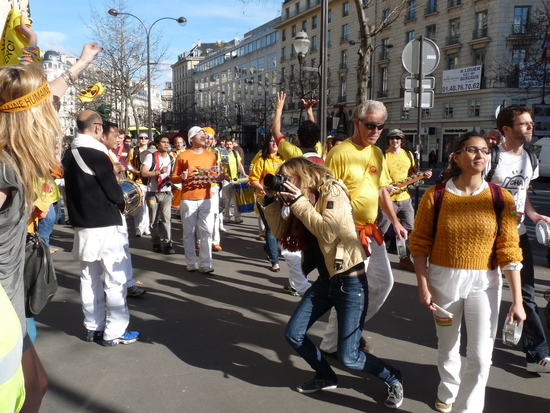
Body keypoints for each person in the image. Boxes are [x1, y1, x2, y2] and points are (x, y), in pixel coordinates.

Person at [260, 158, 404, 409]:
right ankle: (326, 375)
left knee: (350, 356)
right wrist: (271, 199)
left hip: (350, 282)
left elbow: (328, 231)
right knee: (293, 334)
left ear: (303, 175)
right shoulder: (299, 197)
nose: (286, 183)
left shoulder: (332, 190)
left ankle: (392, 377)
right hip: (326, 280)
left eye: (288, 178)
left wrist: (298, 202)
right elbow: (280, 231)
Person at [410, 131, 525, 413]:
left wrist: (518, 301)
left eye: (484, 150)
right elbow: (419, 243)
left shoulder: (502, 198)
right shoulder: (435, 196)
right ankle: (448, 391)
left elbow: (510, 250)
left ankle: (467, 409)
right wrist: (423, 285)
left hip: (484, 282)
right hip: (442, 280)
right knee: (448, 346)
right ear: (456, 157)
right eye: (472, 150)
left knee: (481, 357)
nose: (480, 155)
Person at [320, 100, 407, 356]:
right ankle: (332, 345)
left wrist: (395, 221)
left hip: (371, 230)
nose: (376, 131)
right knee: (350, 292)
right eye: (370, 125)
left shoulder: (377, 153)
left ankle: (350, 331)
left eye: (380, 127)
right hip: (348, 233)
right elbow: (324, 194)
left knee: (383, 284)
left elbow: (381, 190)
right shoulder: (339, 153)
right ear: (357, 122)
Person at [63, 110, 141, 347]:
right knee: (115, 279)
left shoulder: (69, 153)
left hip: (83, 224)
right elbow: (114, 194)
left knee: (89, 278)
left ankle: (93, 326)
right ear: (97, 128)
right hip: (105, 224)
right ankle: (114, 331)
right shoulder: (97, 154)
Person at [486, 105, 550, 373]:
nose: (531, 127)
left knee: (526, 295)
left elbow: (524, 192)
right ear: (507, 130)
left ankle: (537, 355)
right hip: (488, 237)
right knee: (483, 292)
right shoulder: (491, 158)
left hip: (518, 236)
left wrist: (533, 214)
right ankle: (481, 346)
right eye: (525, 124)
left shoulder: (530, 159)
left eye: (531, 123)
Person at [101, 120, 145, 298]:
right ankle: (120, 286)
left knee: (123, 246)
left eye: (120, 136)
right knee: (114, 250)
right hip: (108, 209)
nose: (118, 139)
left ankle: (127, 281)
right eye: (115, 136)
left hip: (116, 206)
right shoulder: (100, 154)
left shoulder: (109, 153)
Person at [378, 129, 432, 272]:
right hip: (388, 200)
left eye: (397, 138)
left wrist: (422, 174)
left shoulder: (408, 154)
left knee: (408, 230)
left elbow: (413, 171)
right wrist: (385, 186)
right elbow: (376, 175)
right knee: (381, 231)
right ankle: (375, 259)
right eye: (392, 138)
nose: (394, 141)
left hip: (405, 199)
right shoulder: (383, 155)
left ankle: (404, 258)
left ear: (402, 141)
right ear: (388, 140)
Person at [171, 126, 220, 273]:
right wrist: (182, 177)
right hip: (188, 199)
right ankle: (191, 262)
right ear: (191, 139)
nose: (204, 136)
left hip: (206, 198)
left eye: (205, 134)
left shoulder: (211, 156)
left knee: (207, 231)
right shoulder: (182, 156)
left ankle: (205, 264)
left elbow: (213, 176)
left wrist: (219, 178)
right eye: (200, 134)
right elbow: (173, 178)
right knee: (189, 232)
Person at [249, 136, 285, 273]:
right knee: (270, 229)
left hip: (282, 199)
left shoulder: (284, 160)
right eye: (271, 141)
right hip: (265, 199)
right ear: (267, 143)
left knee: (280, 229)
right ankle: (275, 261)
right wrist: (264, 189)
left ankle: (269, 248)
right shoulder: (261, 160)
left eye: (276, 141)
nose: (274, 143)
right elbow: (253, 179)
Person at [141, 134, 175, 254]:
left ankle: (167, 244)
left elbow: (174, 175)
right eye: (163, 142)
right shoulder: (150, 157)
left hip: (166, 192)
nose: (166, 144)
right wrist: (158, 172)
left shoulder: (172, 158)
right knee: (153, 220)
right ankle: (156, 242)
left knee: (166, 219)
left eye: (168, 142)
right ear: (157, 144)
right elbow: (144, 173)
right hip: (152, 193)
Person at [127, 132, 151, 237]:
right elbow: (129, 165)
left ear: (148, 139)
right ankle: (139, 228)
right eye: (141, 138)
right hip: (139, 181)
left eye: (145, 138)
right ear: (137, 139)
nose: (143, 139)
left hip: (150, 182)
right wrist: (136, 172)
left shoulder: (152, 151)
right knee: (139, 206)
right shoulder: (133, 151)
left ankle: (147, 227)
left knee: (149, 206)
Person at [222, 138, 248, 224]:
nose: (229, 146)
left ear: (233, 145)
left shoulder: (235, 153)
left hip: (235, 179)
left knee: (237, 199)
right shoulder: (224, 154)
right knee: (227, 200)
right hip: (226, 179)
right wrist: (222, 174)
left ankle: (237, 218)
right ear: (225, 145)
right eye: (227, 144)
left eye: (230, 144)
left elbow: (239, 164)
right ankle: (227, 217)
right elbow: (221, 166)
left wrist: (244, 173)